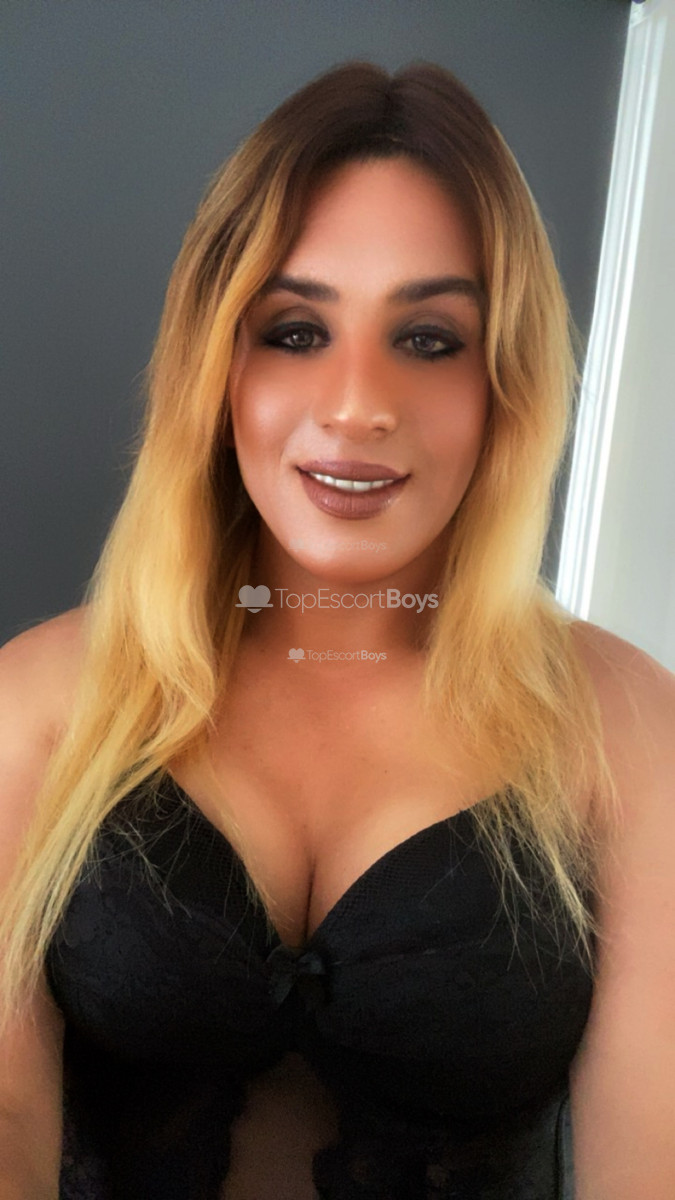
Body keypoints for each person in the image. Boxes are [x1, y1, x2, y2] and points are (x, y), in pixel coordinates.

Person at [1, 57, 674, 1200]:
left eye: (430, 339)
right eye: (296, 330)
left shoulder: (632, 731)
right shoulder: (40, 701)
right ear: (213, 366)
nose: (358, 404)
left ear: (505, 383)